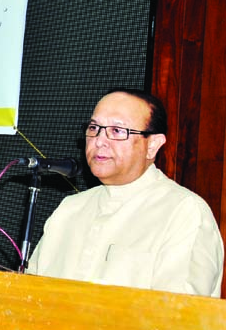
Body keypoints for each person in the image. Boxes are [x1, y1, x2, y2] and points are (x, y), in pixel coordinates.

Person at [28, 89, 224, 297]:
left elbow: (178, 317)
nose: (99, 140)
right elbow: (30, 296)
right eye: (94, 128)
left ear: (153, 146)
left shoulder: (184, 212)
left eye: (117, 131)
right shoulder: (70, 208)